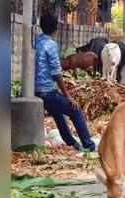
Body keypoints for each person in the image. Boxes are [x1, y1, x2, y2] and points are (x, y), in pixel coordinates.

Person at [34, 14, 96, 151]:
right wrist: (68, 95)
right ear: (56, 28)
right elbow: (56, 72)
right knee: (76, 110)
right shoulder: (51, 45)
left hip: (34, 90)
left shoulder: (36, 41)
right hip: (46, 91)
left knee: (57, 113)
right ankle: (89, 145)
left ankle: (73, 144)